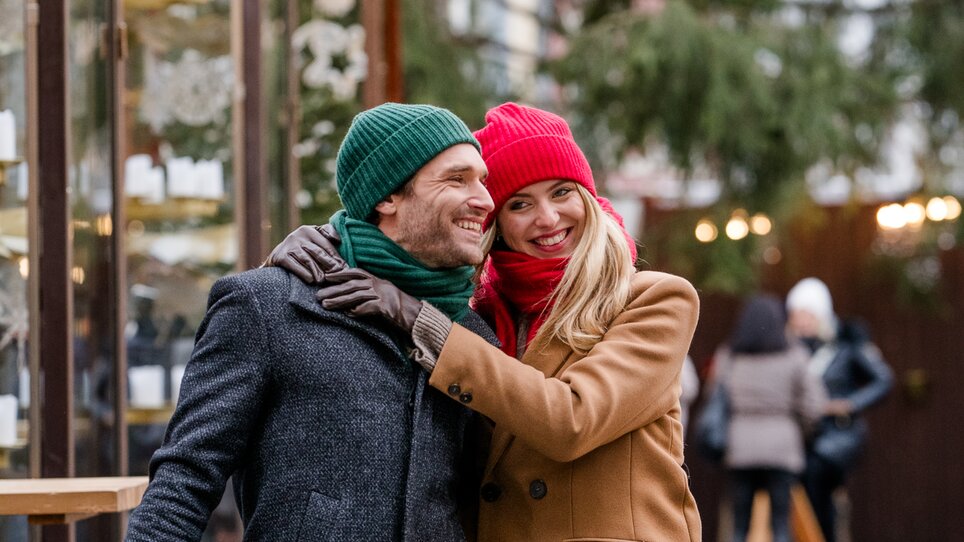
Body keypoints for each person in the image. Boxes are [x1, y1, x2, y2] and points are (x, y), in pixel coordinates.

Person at [270, 102, 702, 541]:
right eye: (519, 203)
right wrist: (332, 242)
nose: (548, 218)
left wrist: (418, 319)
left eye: (562, 192)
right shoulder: (479, 319)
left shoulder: (654, 298)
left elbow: (573, 420)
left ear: (587, 198)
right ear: (495, 223)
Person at [125, 103, 500, 541]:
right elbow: (184, 482)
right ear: (387, 195)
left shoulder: (472, 339)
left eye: (482, 180)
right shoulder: (266, 306)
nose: (485, 200)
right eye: (457, 178)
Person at [785, 277, 893, 542]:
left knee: (823, 497)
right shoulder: (791, 350)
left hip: (834, 440)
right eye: (797, 315)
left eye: (807, 315)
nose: (801, 322)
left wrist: (850, 404)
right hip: (802, 439)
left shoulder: (845, 347)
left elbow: (883, 379)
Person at [712, 294, 826, 542]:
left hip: (740, 447)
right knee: (781, 525)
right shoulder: (794, 355)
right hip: (782, 448)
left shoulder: (730, 356)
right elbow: (814, 405)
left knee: (739, 526)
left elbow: (717, 397)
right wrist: (801, 433)